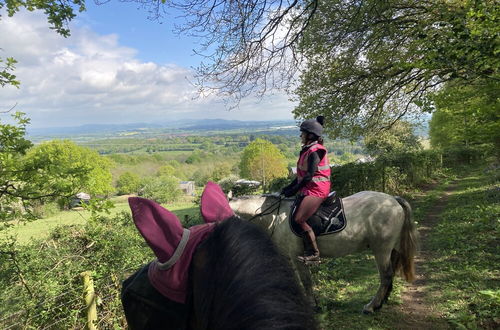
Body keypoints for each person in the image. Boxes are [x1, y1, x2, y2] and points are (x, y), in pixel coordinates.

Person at [281, 116, 331, 264]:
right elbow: (300, 176)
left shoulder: (316, 151)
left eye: (302, 133)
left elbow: (309, 176)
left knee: (299, 218)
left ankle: (314, 253)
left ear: (310, 135)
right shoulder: (307, 150)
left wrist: (294, 190)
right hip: (310, 188)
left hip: (318, 189)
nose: (300, 136)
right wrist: (287, 188)